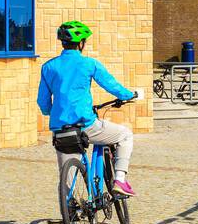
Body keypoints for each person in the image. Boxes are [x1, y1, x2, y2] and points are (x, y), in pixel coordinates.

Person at [37, 20, 138, 197]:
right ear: (81, 43)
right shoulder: (89, 64)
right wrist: (129, 95)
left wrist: (52, 113)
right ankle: (120, 179)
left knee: (67, 180)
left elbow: (43, 102)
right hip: (86, 126)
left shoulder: (48, 67)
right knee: (125, 134)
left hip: (61, 130)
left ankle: (72, 222)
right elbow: (112, 86)